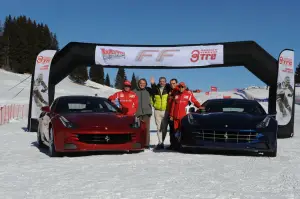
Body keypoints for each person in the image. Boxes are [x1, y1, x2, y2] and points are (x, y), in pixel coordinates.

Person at [170, 82, 201, 149]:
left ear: (185, 87)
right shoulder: (176, 94)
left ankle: (182, 145)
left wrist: (199, 106)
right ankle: (176, 145)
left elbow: (194, 101)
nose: (181, 88)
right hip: (175, 117)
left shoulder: (188, 94)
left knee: (183, 131)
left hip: (183, 117)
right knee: (176, 131)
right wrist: (171, 115)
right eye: (180, 87)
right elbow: (173, 106)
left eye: (182, 87)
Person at [150, 76, 172, 149]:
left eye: (163, 81)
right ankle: (160, 143)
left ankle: (162, 140)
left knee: (164, 128)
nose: (162, 82)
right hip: (157, 111)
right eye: (161, 81)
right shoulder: (156, 89)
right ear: (159, 82)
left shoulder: (168, 88)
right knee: (159, 127)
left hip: (166, 111)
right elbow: (151, 97)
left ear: (165, 82)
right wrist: (154, 105)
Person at [133, 78, 153, 149]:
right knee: (137, 129)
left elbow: (155, 90)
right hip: (137, 113)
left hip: (146, 112)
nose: (142, 84)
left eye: (144, 83)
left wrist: (152, 84)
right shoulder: (134, 91)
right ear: (138, 83)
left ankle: (146, 144)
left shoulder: (148, 91)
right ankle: (137, 143)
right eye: (141, 83)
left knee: (146, 129)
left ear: (146, 84)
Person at [166, 78, 179, 150]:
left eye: (174, 83)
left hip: (177, 113)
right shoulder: (170, 91)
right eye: (171, 83)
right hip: (170, 113)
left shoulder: (178, 90)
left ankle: (177, 144)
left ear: (176, 83)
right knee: (171, 130)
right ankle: (172, 144)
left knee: (177, 130)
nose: (172, 85)